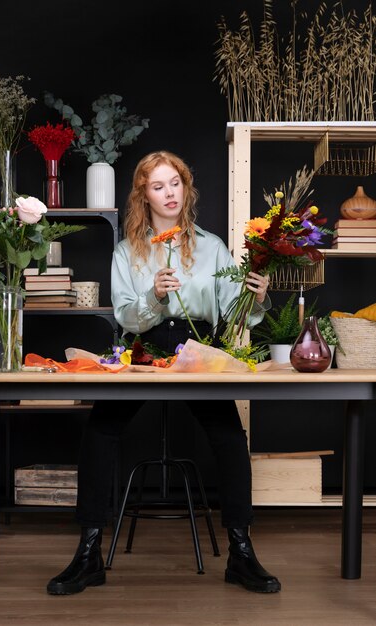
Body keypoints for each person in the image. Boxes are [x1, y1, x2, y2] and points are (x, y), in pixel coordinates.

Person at [47, 150, 281, 595]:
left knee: (230, 437)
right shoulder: (127, 252)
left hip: (199, 349)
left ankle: (241, 553)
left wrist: (257, 297)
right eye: (158, 186)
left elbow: (233, 315)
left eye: (175, 182)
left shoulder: (211, 246)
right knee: (100, 429)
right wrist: (154, 296)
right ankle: (88, 553)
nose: (169, 193)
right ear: (144, 196)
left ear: (186, 187)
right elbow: (125, 317)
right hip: (142, 348)